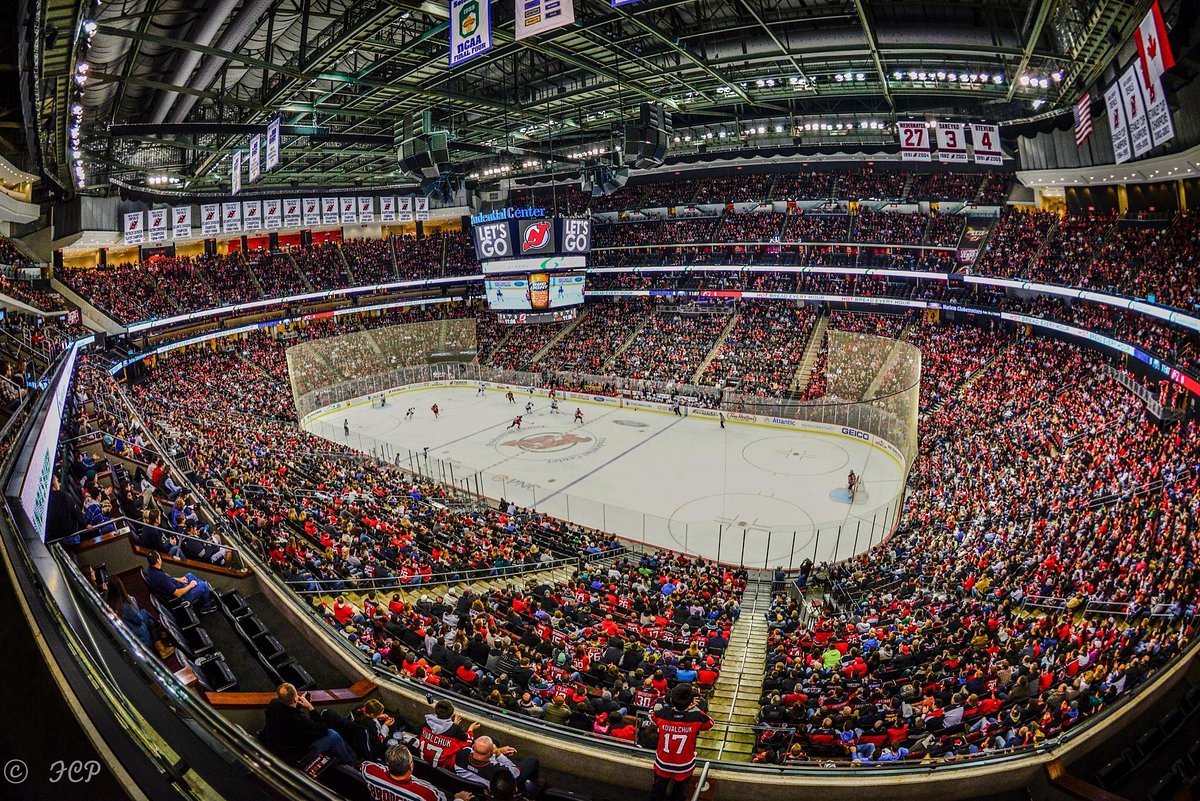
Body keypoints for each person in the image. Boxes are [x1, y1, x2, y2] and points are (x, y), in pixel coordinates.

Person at [261, 683, 356, 764]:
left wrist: (297, 705)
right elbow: (323, 730)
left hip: (275, 745)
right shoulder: (301, 721)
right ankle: (352, 761)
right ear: (295, 698)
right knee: (333, 735)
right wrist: (310, 707)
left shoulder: (272, 705)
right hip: (295, 756)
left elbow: (287, 712)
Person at [649, 684, 713, 800]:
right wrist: (693, 709)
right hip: (684, 767)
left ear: (672, 700)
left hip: (662, 763)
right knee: (679, 796)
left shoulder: (663, 714)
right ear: (691, 702)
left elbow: (652, 717)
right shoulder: (696, 718)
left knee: (656, 794)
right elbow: (710, 723)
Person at [361, 743, 447, 801]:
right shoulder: (425, 793)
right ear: (411, 766)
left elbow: (364, 764)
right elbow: (442, 798)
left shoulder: (369, 770)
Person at [454, 736, 538, 793]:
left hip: (467, 785)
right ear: (491, 754)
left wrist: (497, 751)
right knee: (532, 761)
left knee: (494, 741)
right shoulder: (499, 772)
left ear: (473, 747)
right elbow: (515, 772)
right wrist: (498, 753)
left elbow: (473, 752)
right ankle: (529, 787)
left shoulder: (461, 754)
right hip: (495, 786)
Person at [143, 551, 216, 613]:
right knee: (204, 585)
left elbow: (168, 578)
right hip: (182, 599)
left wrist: (179, 579)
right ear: (158, 560)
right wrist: (190, 586)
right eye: (159, 557)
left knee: (189, 575)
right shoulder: (161, 577)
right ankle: (206, 607)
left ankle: (206, 595)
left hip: (178, 586)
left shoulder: (151, 569)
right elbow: (178, 593)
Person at [419, 699, 478, 770]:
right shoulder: (454, 729)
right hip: (443, 769)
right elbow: (468, 741)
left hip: (422, 764)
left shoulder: (427, 722)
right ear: (451, 714)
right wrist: (470, 729)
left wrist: (453, 725)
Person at [106, 577, 160, 650]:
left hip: (129, 635)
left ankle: (159, 646)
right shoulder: (124, 607)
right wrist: (132, 600)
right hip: (138, 639)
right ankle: (160, 629)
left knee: (150, 622)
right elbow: (139, 619)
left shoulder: (109, 605)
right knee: (145, 613)